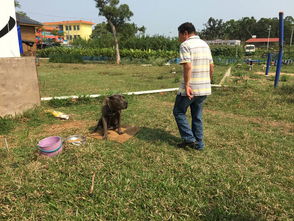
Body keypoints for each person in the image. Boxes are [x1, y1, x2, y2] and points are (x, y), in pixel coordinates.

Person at [173, 22, 214, 150]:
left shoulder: (185, 45)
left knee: (178, 111)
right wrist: (208, 81)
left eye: (179, 34)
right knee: (197, 115)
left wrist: (187, 85)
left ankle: (189, 139)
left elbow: (187, 66)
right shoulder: (205, 44)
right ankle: (199, 144)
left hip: (191, 88)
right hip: (204, 88)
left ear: (185, 33)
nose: (178, 37)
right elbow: (211, 66)